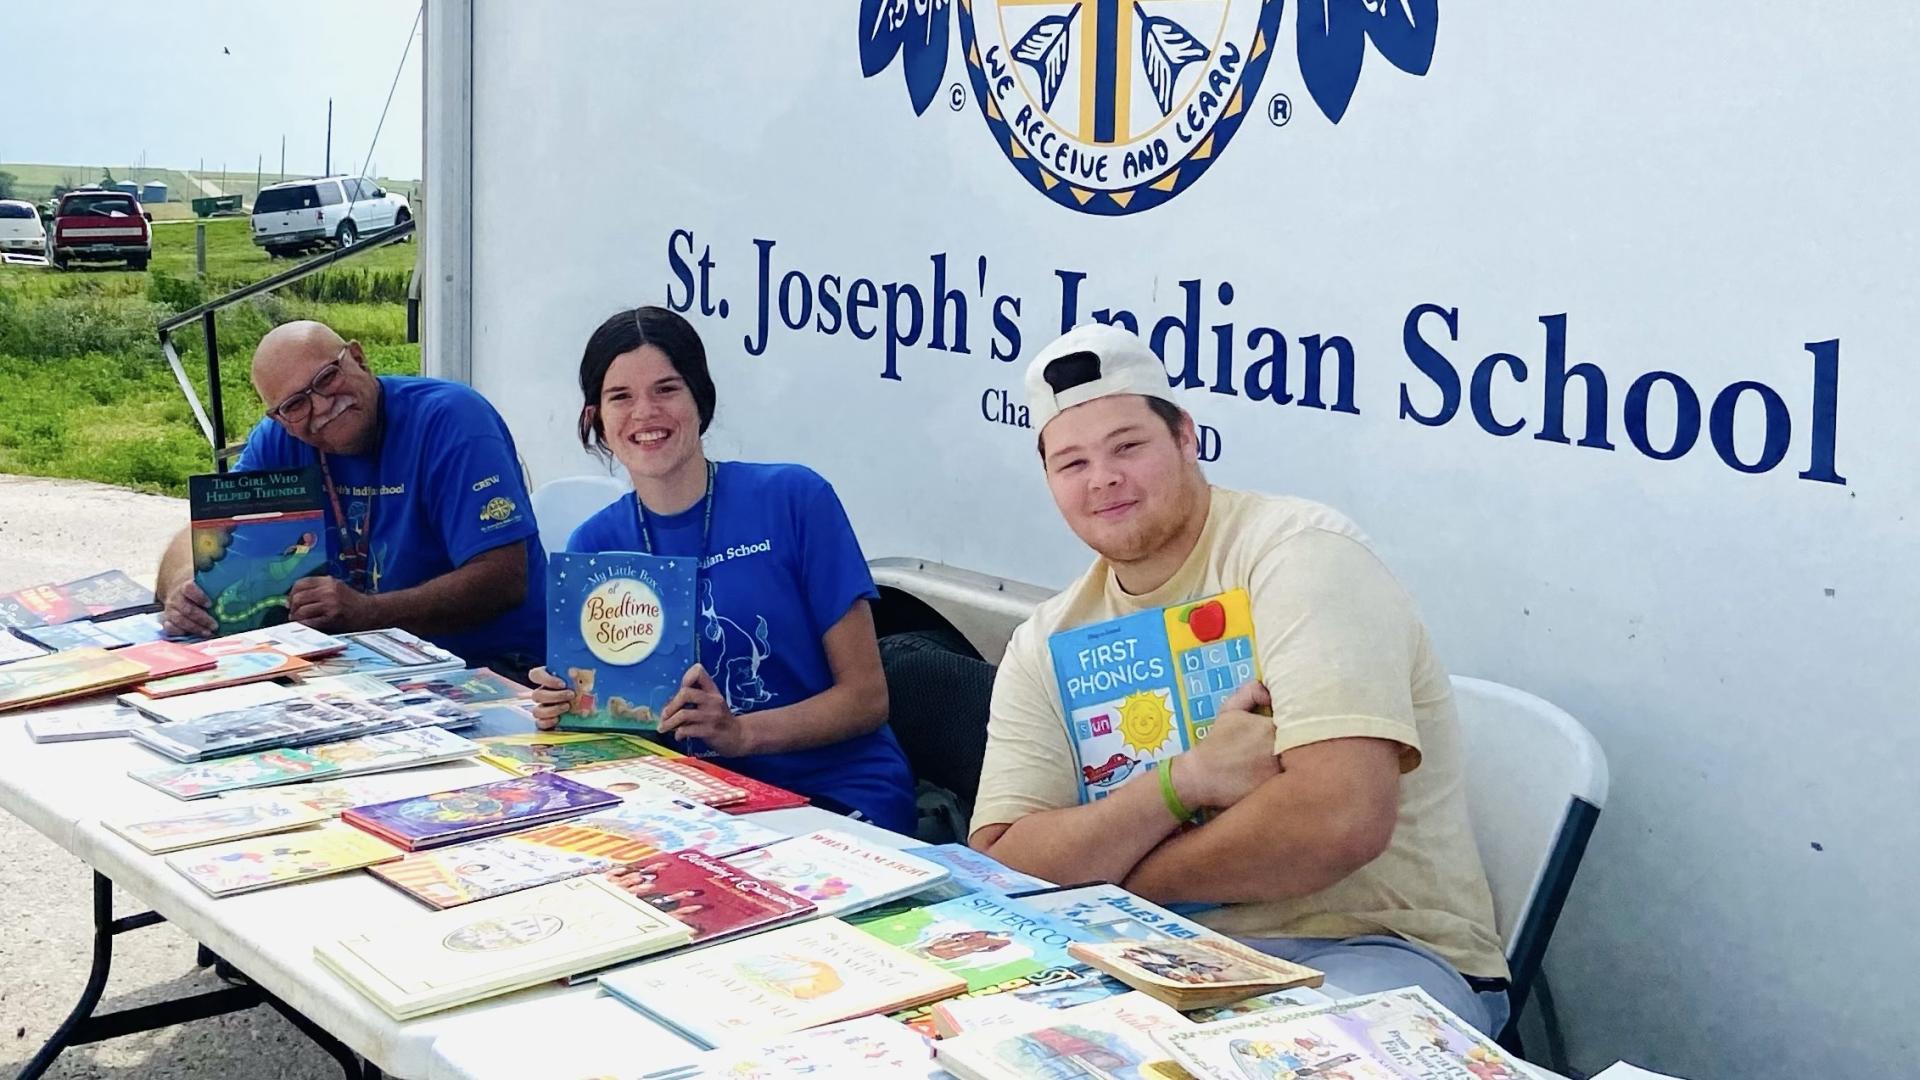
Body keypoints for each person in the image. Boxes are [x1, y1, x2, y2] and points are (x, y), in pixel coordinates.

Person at [967, 323, 1512, 1034]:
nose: (1103, 479)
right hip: (1141, 956)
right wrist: (1182, 784)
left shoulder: (1298, 553)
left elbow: (1337, 820)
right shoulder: (1045, 639)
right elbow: (1009, 865)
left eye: (1128, 446)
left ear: (1187, 437)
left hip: (1364, 946)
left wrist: (1110, 878)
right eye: (1071, 463)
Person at [527, 305, 913, 833]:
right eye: (620, 396)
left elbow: (867, 700)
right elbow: (614, 729)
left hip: (832, 791)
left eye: (666, 389)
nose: (644, 413)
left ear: (700, 399)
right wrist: (565, 709)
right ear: (596, 417)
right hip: (693, 802)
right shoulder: (595, 546)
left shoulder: (795, 500)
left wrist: (743, 735)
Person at [154, 321, 546, 675]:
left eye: (326, 378)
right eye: (294, 405)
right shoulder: (279, 439)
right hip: (355, 667)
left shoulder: (452, 420)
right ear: (278, 418)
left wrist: (368, 613)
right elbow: (200, 535)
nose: (321, 406)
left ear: (358, 358)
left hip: (487, 666)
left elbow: (504, 579)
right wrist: (183, 587)